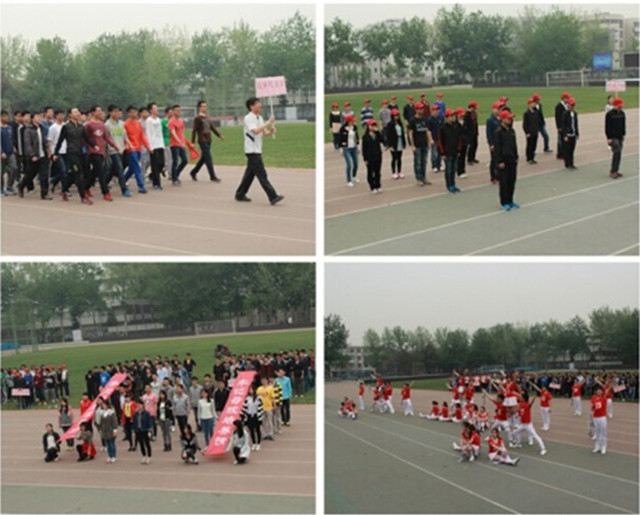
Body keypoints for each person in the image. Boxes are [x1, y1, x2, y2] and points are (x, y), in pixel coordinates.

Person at [234, 97, 283, 205]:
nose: (260, 105)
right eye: (257, 103)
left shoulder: (259, 118)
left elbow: (264, 132)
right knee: (262, 174)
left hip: (257, 149)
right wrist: (268, 122)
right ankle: (273, 196)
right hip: (251, 150)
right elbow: (255, 131)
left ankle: (240, 194)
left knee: (250, 174)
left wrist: (270, 131)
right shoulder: (248, 118)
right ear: (251, 106)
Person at [85, 105, 119, 201]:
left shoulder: (101, 124)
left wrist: (114, 145)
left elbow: (106, 137)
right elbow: (85, 138)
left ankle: (85, 188)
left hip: (101, 151)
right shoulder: (88, 125)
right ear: (93, 113)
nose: (100, 112)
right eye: (98, 111)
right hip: (93, 151)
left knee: (95, 171)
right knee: (100, 172)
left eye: (101, 110)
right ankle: (106, 193)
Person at [18, 112, 51, 200]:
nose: (39, 118)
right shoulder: (28, 130)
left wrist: (48, 151)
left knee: (44, 175)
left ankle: (44, 193)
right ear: (32, 119)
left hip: (43, 155)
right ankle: (21, 185)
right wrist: (32, 155)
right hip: (34, 156)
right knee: (30, 175)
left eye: (40, 117)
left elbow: (45, 141)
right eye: (37, 117)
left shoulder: (42, 128)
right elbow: (27, 144)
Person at [190, 100, 224, 182]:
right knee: (208, 157)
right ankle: (212, 176)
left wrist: (219, 135)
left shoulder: (207, 118)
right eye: (203, 106)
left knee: (204, 158)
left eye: (206, 106)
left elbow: (212, 127)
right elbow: (194, 130)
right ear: (199, 108)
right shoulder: (197, 119)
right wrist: (192, 142)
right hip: (202, 140)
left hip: (208, 139)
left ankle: (193, 172)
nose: (205, 108)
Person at [493, 110, 519, 211]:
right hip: (504, 160)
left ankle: (511, 199)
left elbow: (514, 144)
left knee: (512, 181)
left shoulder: (512, 131)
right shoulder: (498, 132)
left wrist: (516, 156)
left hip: (512, 159)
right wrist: (499, 161)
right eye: (508, 118)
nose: (510, 120)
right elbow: (497, 148)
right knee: (504, 182)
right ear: (503, 119)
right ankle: (504, 202)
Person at [123, 105, 151, 194]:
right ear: (128, 113)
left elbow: (142, 136)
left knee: (132, 168)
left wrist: (148, 146)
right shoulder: (126, 124)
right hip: (131, 149)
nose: (134, 113)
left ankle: (123, 180)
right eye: (132, 112)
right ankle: (141, 185)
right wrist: (128, 145)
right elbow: (124, 137)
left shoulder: (138, 124)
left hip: (138, 148)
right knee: (137, 166)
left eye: (135, 112)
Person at [104, 105, 131, 197]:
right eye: (115, 111)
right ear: (110, 112)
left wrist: (129, 144)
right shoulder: (107, 125)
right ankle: (124, 189)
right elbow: (106, 139)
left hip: (122, 149)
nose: (117, 113)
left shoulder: (121, 124)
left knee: (113, 170)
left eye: (118, 111)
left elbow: (125, 136)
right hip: (113, 150)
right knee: (120, 169)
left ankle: (104, 183)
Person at [408, 102, 432, 186]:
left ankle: (423, 177)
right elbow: (410, 133)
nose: (421, 110)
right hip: (417, 144)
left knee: (424, 162)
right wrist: (412, 145)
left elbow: (427, 131)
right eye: (420, 109)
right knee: (417, 162)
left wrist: (429, 141)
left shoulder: (425, 119)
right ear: (416, 110)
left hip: (424, 143)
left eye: (422, 108)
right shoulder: (412, 120)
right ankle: (418, 178)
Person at [439, 108, 461, 193]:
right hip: (447, 152)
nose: (453, 118)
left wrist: (459, 149)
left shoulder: (455, 126)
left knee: (454, 169)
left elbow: (458, 138)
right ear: (447, 117)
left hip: (455, 151)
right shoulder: (442, 128)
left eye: (453, 116)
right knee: (448, 169)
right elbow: (440, 141)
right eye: (451, 116)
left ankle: (453, 184)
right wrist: (442, 153)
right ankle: (449, 185)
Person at [144, 102, 166, 190]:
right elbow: (148, 134)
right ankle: (156, 183)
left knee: (162, 163)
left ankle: (151, 175)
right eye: (155, 108)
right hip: (153, 145)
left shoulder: (159, 120)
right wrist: (150, 146)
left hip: (160, 143)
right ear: (150, 110)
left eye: (157, 108)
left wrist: (162, 145)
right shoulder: (149, 121)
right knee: (155, 165)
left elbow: (160, 133)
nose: (157, 109)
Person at [362, 119, 384, 194]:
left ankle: (378, 185)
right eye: (371, 125)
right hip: (370, 157)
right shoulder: (365, 137)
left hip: (378, 155)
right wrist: (365, 159)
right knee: (371, 172)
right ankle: (372, 186)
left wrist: (377, 132)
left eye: (374, 125)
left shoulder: (377, 135)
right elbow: (364, 149)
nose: (373, 127)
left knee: (378, 171)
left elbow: (382, 140)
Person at [605, 97, 625, 179]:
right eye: (619, 106)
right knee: (617, 152)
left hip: (620, 136)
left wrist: (623, 134)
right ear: (615, 105)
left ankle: (616, 169)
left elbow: (623, 124)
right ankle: (613, 171)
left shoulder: (622, 113)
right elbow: (607, 127)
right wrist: (608, 138)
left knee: (619, 154)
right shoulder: (609, 114)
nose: (620, 107)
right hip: (613, 137)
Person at [338, 114, 359, 187]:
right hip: (346, 148)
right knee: (349, 164)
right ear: (348, 121)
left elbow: (356, 137)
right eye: (352, 121)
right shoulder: (343, 129)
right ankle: (348, 180)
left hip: (354, 147)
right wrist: (341, 149)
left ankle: (354, 176)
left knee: (356, 164)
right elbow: (340, 139)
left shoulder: (354, 127)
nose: (353, 122)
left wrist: (358, 146)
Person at [1, 110, 18, 196]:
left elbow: (11, 139)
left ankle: (9, 186)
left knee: (14, 168)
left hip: (10, 152)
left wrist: (13, 147)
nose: (6, 118)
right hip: (2, 153)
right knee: (1, 171)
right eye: (4, 116)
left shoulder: (9, 128)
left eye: (7, 116)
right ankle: (1, 189)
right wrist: (1, 152)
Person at [385, 108, 406, 180]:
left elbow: (402, 133)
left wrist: (404, 143)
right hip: (394, 143)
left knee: (399, 158)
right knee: (394, 158)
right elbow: (388, 135)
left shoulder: (400, 123)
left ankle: (399, 171)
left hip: (400, 141)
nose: (396, 116)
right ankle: (394, 172)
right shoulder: (390, 124)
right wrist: (390, 145)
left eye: (397, 115)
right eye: (395, 115)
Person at [242, 384, 263, 451]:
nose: (250, 391)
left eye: (251, 389)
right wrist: (244, 417)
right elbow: (244, 408)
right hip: (249, 416)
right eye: (249, 389)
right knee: (251, 430)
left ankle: (258, 443)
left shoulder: (258, 398)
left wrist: (260, 417)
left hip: (256, 415)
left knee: (257, 430)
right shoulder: (246, 398)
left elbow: (260, 408)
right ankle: (254, 443)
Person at [561, 98, 579, 170]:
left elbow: (576, 124)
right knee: (567, 150)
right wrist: (565, 135)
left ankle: (571, 163)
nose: (572, 107)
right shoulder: (565, 114)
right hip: (568, 134)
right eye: (571, 105)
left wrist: (577, 133)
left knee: (572, 150)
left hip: (573, 134)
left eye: (573, 105)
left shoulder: (575, 114)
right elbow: (563, 125)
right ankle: (567, 164)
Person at [257, 376, 275, 441]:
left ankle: (270, 434)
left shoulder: (270, 388)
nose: (264, 382)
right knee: (263, 422)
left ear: (267, 381)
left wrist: (274, 405)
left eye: (265, 380)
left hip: (269, 407)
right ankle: (264, 434)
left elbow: (273, 398)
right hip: (261, 408)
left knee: (270, 421)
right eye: (262, 380)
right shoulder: (259, 389)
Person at [591, 385, 607, 454]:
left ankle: (603, 446)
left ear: (602, 392)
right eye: (598, 390)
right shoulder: (593, 398)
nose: (599, 392)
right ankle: (597, 446)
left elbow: (607, 388)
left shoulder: (604, 398)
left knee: (603, 432)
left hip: (602, 417)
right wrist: (591, 414)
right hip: (595, 417)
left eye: (601, 391)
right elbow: (592, 407)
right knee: (597, 433)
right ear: (596, 391)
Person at [523, 98, 540, 164]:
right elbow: (525, 124)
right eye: (532, 103)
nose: (534, 104)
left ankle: (532, 157)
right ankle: (529, 158)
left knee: (534, 145)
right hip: (530, 132)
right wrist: (527, 132)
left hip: (535, 131)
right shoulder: (526, 113)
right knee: (529, 145)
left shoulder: (536, 112)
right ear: (529, 104)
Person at [554, 92, 570, 160]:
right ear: (564, 98)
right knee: (560, 140)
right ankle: (560, 153)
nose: (568, 99)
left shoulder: (567, 105)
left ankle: (564, 152)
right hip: (561, 125)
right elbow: (557, 117)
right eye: (567, 98)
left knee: (564, 139)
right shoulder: (559, 106)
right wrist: (558, 127)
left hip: (566, 125)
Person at [464, 101, 480, 166]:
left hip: (474, 132)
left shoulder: (474, 113)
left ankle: (473, 157)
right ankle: (469, 159)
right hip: (470, 133)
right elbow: (466, 125)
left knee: (475, 145)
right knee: (471, 146)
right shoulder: (467, 115)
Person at [427, 105, 442, 173]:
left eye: (437, 110)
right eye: (435, 110)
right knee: (434, 153)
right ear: (432, 111)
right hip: (434, 138)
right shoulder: (430, 120)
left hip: (440, 138)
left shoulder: (440, 118)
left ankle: (439, 165)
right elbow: (428, 130)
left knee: (440, 152)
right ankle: (434, 166)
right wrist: (430, 139)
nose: (437, 111)